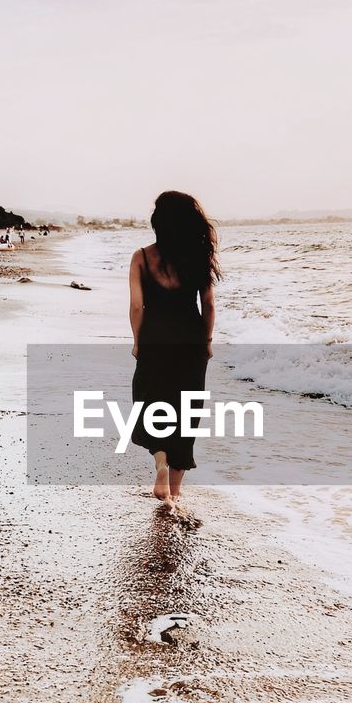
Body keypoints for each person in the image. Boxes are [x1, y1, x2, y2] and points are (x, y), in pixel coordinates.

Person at [129, 190, 220, 505]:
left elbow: (137, 307)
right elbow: (208, 305)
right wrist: (206, 343)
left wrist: (138, 342)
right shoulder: (199, 256)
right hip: (191, 341)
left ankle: (160, 463)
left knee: (149, 400)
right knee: (186, 412)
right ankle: (175, 494)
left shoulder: (141, 257)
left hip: (155, 337)